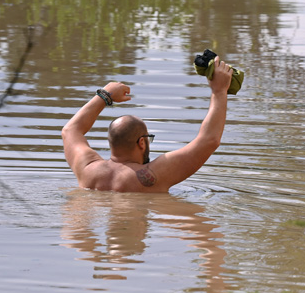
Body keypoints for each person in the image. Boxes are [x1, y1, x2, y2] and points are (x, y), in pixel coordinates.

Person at [62, 56, 234, 193]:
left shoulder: (86, 168)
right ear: (141, 142)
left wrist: (105, 95)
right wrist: (219, 91)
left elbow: (70, 130)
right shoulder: (154, 175)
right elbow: (209, 140)